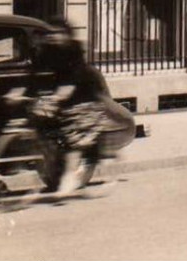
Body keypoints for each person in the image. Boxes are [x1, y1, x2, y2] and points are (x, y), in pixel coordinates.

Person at [24, 19, 127, 194]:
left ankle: (70, 177)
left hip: (84, 96)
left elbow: (74, 76)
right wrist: (18, 91)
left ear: (67, 35)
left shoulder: (74, 50)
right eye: (50, 33)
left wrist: (60, 95)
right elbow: (32, 75)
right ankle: (59, 168)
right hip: (64, 96)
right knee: (47, 128)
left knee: (74, 137)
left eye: (58, 33)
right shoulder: (46, 51)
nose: (53, 37)